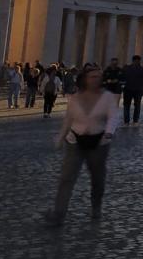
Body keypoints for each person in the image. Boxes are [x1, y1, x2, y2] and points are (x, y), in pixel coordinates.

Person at [45, 64, 120, 226]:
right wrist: (60, 138)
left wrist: (109, 132)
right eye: (93, 77)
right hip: (75, 141)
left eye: (99, 76)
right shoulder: (74, 98)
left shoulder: (107, 97)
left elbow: (113, 116)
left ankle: (96, 206)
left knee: (97, 178)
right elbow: (68, 120)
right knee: (66, 178)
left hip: (99, 142)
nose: (96, 79)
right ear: (85, 79)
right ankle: (58, 213)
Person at [122, 55, 143, 125]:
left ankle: (128, 121)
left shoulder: (127, 68)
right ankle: (133, 120)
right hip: (134, 89)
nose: (138, 62)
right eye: (138, 61)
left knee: (129, 105)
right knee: (134, 105)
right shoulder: (142, 69)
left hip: (132, 89)